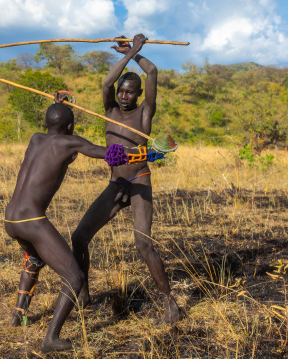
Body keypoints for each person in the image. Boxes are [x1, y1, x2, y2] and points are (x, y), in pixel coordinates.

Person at [5, 95, 133, 353]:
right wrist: (141, 153)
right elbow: (106, 154)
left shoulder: (35, 138)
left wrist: (60, 106)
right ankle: (51, 338)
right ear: (71, 126)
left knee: (33, 259)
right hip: (31, 220)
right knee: (74, 278)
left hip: (10, 218)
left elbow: (57, 128)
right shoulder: (71, 142)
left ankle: (18, 316)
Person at [71, 34, 183, 323]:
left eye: (131, 92)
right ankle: (83, 294)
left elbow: (153, 72)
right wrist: (128, 52)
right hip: (115, 184)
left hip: (139, 182)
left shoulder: (145, 114)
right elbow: (107, 83)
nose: (124, 95)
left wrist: (136, 52)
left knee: (143, 244)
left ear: (138, 95)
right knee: (79, 236)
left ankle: (170, 304)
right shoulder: (109, 111)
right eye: (123, 90)